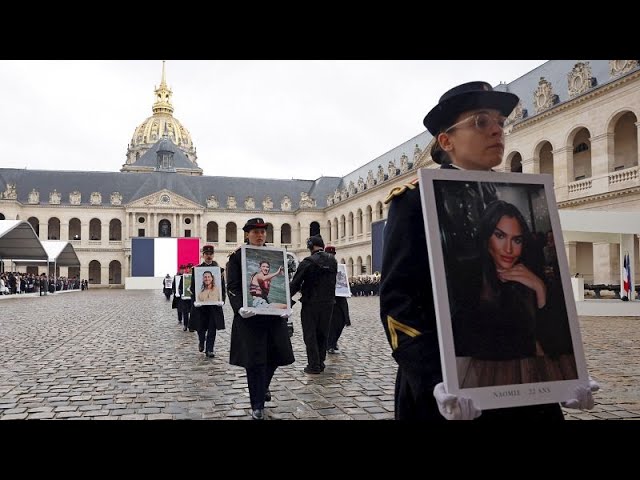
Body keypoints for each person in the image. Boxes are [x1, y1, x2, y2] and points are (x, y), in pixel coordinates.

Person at [380, 80, 599, 421]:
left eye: (500, 122)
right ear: (446, 140)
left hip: (526, 389)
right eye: (482, 121)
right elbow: (400, 305)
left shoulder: (512, 198)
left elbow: (545, 305)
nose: (498, 130)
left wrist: (563, 377)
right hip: (452, 391)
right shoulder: (412, 202)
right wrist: (434, 380)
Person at [452, 200, 577, 388]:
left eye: (516, 240)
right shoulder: (467, 278)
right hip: (481, 385)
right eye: (500, 236)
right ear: (486, 237)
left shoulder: (531, 276)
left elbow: (554, 345)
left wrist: (540, 289)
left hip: (528, 387)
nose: (509, 249)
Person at [226, 218, 294, 420]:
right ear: (247, 234)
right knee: (254, 361)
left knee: (276, 355)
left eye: (263, 231)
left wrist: (288, 305)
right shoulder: (238, 257)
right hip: (251, 317)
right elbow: (233, 286)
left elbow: (285, 283)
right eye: (255, 231)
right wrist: (239, 308)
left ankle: (262, 386)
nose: (260, 235)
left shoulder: (274, 254)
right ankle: (257, 404)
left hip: (273, 318)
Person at [289, 234, 337, 374]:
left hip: (311, 303)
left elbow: (296, 284)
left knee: (310, 334)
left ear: (310, 246)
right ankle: (321, 362)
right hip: (328, 303)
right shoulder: (332, 261)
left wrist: (285, 299)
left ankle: (313, 365)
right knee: (323, 333)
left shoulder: (307, 262)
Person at [191, 245, 225, 357]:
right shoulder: (197, 270)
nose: (209, 256)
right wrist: (195, 300)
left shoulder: (218, 270)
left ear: (213, 255)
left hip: (214, 305)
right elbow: (193, 287)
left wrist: (222, 300)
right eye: (207, 254)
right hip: (202, 305)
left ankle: (209, 349)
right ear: (203, 255)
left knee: (212, 327)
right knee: (201, 327)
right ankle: (201, 341)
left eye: (211, 254)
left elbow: (222, 288)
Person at [324, 245, 351, 354]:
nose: (331, 256)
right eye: (329, 254)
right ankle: (330, 344)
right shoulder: (323, 267)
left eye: (333, 254)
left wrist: (346, 289)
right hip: (328, 300)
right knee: (330, 324)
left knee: (341, 322)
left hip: (340, 299)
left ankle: (334, 341)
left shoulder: (338, 267)